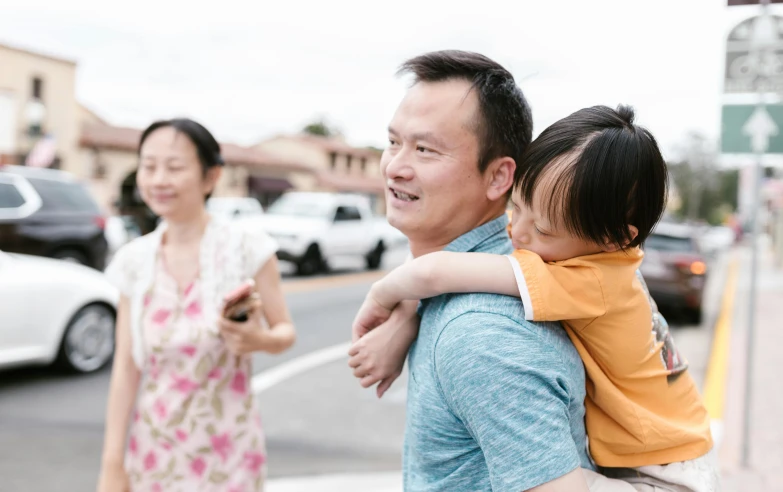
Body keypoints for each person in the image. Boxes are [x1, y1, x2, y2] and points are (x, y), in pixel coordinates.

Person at [350, 105, 719, 491]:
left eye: (542, 229)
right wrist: (407, 316)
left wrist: (381, 296)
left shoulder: (588, 283)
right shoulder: (610, 266)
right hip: (682, 446)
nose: (519, 235)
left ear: (616, 238)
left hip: (665, 477)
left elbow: (433, 272)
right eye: (517, 207)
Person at [350, 50, 599, 491]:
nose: (395, 167)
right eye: (393, 142)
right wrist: (409, 308)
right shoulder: (510, 265)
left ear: (499, 177)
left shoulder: (481, 335)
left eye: (425, 149)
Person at [96, 118, 296, 492]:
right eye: (148, 165)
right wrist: (112, 463)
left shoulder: (248, 248)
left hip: (230, 449)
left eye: (174, 167)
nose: (158, 179)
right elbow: (125, 367)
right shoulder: (133, 262)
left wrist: (257, 340)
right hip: (153, 450)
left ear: (210, 176)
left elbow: (285, 332)